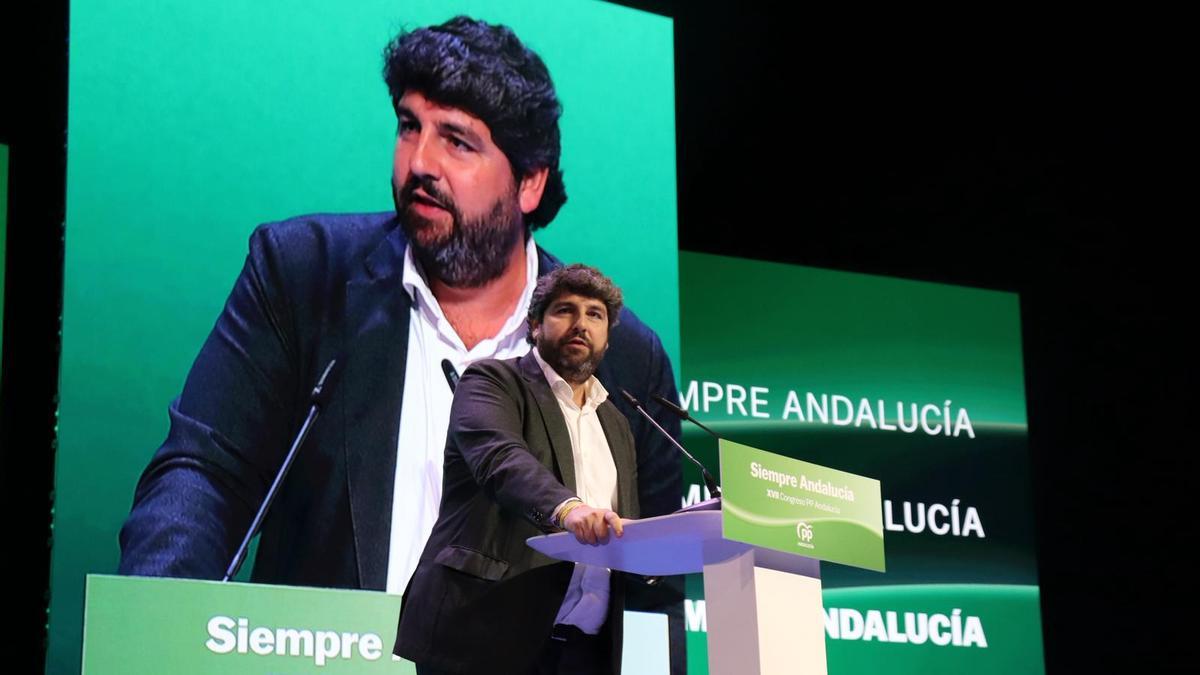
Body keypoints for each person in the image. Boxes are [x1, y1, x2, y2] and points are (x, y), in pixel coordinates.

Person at [117, 15, 681, 617]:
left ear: (529, 184)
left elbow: (654, 586)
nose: (419, 164)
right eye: (410, 127)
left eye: (457, 142)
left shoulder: (623, 356)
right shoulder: (304, 277)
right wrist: (158, 623)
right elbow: (204, 475)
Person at [396, 264, 636, 675]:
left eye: (595, 314)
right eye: (565, 310)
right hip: (484, 634)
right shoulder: (492, 380)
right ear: (534, 326)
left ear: (608, 337)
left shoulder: (616, 421)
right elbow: (501, 459)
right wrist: (569, 510)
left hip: (583, 649)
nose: (581, 324)